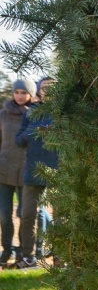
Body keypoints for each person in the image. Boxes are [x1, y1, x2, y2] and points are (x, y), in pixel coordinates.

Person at [14, 76, 58, 269]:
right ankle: (29, 257)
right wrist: (29, 133)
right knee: (27, 215)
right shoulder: (31, 112)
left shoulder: (62, 113)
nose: (47, 90)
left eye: (52, 87)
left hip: (58, 170)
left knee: (61, 215)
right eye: (44, 87)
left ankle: (60, 256)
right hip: (32, 170)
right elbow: (19, 140)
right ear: (39, 90)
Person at [0, 78, 33, 267]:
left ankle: (23, 251)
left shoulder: (33, 115)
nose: (20, 96)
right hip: (3, 171)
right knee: (4, 215)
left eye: (24, 93)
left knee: (24, 214)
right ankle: (6, 250)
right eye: (17, 92)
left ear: (30, 95)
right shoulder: (2, 115)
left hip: (25, 172)